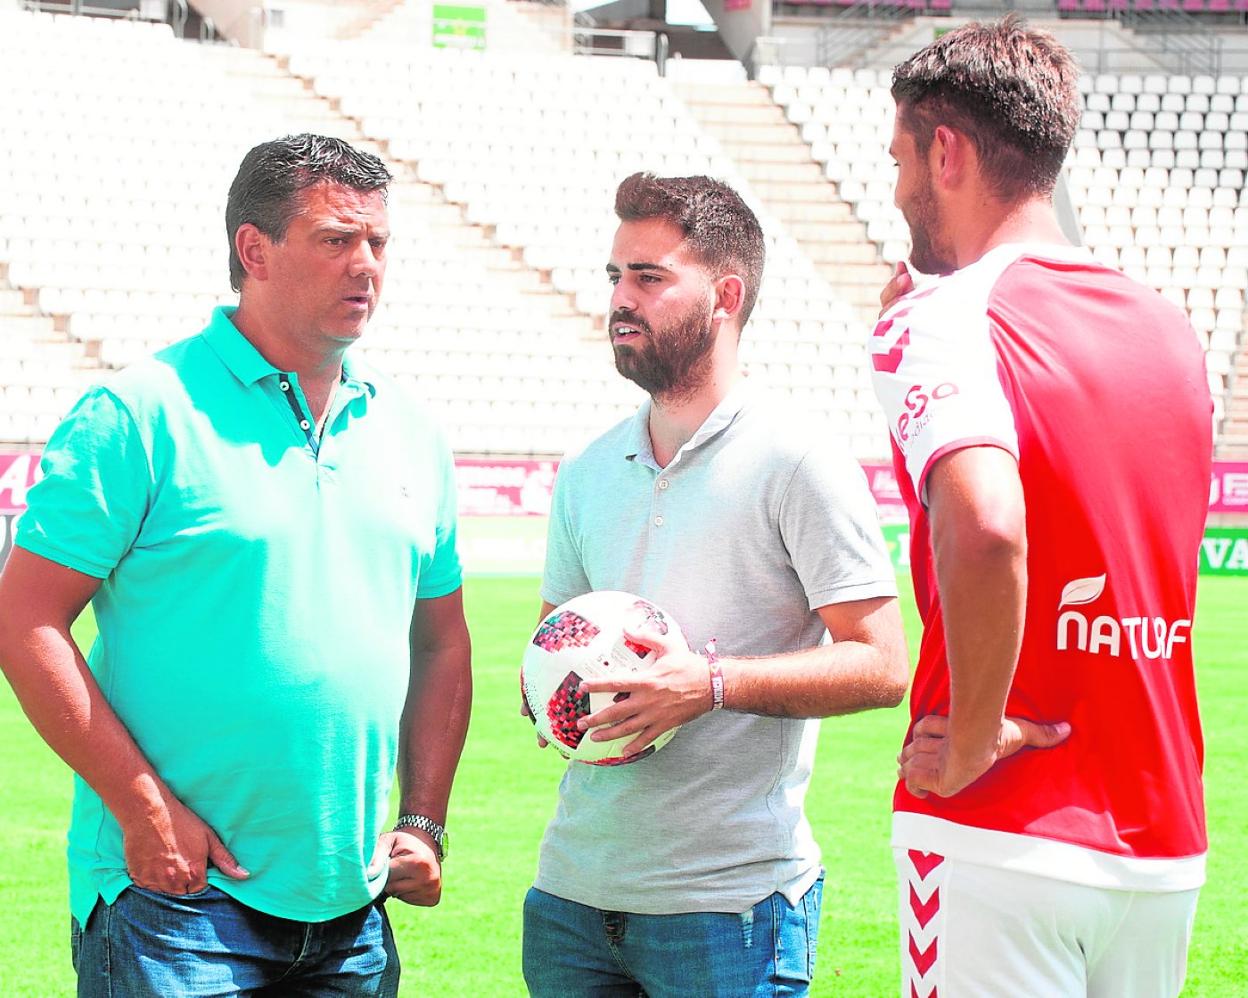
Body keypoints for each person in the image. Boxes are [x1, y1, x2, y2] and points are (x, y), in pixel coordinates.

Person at [0, 134, 472, 996]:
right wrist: (145, 810)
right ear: (254, 250)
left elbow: (441, 641)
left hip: (354, 910)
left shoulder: (412, 429)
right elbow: (23, 617)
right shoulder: (139, 412)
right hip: (177, 902)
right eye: (336, 239)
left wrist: (424, 823)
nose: (366, 264)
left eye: (378, 243)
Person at [870, 18, 1212, 997]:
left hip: (996, 832)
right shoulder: (1172, 334)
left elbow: (986, 525)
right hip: (1159, 838)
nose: (896, 190)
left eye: (900, 158)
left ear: (948, 151)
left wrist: (976, 733)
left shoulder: (944, 319)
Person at [521, 172, 910, 997]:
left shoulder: (798, 459)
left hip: (729, 911)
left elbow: (882, 665)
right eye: (615, 276)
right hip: (569, 901)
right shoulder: (588, 470)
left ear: (725, 294)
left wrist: (711, 684)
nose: (620, 299)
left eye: (649, 277)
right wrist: (549, 693)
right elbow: (552, 642)